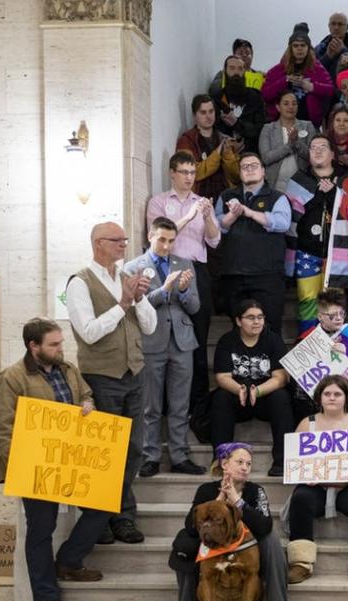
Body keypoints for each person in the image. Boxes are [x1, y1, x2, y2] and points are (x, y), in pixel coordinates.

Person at [0, 317, 105, 601]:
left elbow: (86, 394)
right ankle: (45, 597)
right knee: (41, 529)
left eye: (60, 342)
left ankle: (68, 560)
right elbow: (2, 429)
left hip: (71, 457)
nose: (60, 348)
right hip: (35, 464)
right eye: (54, 344)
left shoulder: (68, 370)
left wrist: (88, 404)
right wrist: (24, 464)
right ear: (34, 346)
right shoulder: (12, 377)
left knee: (103, 505)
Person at [66, 221, 156, 545]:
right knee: (102, 452)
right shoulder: (80, 282)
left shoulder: (124, 278)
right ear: (98, 243)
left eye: (125, 239)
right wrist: (122, 305)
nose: (123, 245)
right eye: (116, 240)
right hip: (101, 376)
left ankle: (122, 516)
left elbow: (149, 326)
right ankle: (97, 518)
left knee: (133, 450)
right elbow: (88, 332)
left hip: (134, 373)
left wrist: (140, 300)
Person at [169, 442, 289, 601]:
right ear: (224, 464)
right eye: (240, 462)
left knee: (272, 539)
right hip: (212, 543)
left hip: (245, 546)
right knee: (184, 540)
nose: (245, 467)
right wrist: (218, 503)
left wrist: (237, 501)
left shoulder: (255, 491)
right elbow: (191, 527)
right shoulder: (205, 490)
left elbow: (264, 526)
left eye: (249, 464)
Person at [124, 216, 206, 476]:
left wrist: (182, 291)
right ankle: (150, 456)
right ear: (150, 236)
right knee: (150, 405)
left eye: (171, 241)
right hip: (150, 341)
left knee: (180, 404)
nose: (167, 246)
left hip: (182, 342)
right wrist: (165, 290)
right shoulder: (132, 268)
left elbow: (195, 307)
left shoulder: (184, 264)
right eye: (162, 239)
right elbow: (133, 308)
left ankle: (180, 455)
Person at [287, 375, 348, 586]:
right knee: (301, 497)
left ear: (346, 397)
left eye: (337, 394)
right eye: (327, 393)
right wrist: (304, 475)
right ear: (319, 397)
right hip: (316, 487)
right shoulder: (307, 424)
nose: (332, 398)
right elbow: (294, 459)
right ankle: (300, 561)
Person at [145, 152, 220, 414]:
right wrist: (189, 216)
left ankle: (197, 406)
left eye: (192, 173)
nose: (189, 178)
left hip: (197, 269)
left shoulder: (201, 202)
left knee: (198, 338)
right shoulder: (159, 202)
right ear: (172, 173)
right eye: (184, 172)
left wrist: (208, 216)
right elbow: (159, 236)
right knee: (169, 337)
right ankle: (167, 405)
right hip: (167, 269)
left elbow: (214, 241)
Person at [289, 135, 348, 334]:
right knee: (307, 300)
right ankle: (307, 342)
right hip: (307, 251)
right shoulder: (299, 179)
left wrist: (333, 195)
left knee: (334, 303)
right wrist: (317, 197)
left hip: (337, 254)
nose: (318, 151)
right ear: (309, 155)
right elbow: (290, 218)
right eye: (313, 148)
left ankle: (332, 345)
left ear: (332, 154)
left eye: (323, 147)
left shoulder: (347, 178)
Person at [210, 300, 292, 477]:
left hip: (264, 397)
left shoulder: (273, 340)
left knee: (281, 397)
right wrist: (240, 389)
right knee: (220, 397)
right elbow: (222, 377)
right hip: (237, 397)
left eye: (260, 317)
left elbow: (281, 377)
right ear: (239, 321)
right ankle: (221, 461)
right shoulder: (227, 341)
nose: (257, 322)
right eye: (251, 318)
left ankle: (282, 461)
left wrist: (258, 390)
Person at [214, 152, 291, 334]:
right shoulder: (226, 196)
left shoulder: (276, 197)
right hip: (234, 275)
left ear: (263, 171)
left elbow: (282, 223)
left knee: (270, 328)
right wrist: (232, 215)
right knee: (238, 329)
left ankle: (273, 364)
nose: (249, 170)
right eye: (245, 167)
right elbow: (216, 227)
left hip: (267, 275)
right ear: (239, 173)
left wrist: (250, 213)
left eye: (254, 166)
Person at [293, 289, 348, 424]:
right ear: (320, 317)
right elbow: (298, 371)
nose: (339, 318)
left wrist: (346, 356)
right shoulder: (308, 336)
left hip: (344, 385)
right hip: (317, 390)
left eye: (342, 313)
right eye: (333, 315)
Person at [262, 24, 335, 130]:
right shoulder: (278, 70)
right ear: (290, 48)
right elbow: (265, 94)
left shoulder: (317, 68)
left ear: (308, 48)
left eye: (303, 45)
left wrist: (311, 87)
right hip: (281, 124)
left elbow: (331, 90)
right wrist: (285, 81)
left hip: (309, 124)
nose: (299, 49)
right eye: (295, 46)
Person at [176, 94, 241, 202]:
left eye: (211, 111)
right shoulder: (186, 141)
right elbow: (192, 173)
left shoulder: (224, 139)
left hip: (225, 201)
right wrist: (218, 152)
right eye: (203, 112)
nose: (208, 116)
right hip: (197, 202)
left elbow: (236, 176)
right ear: (194, 116)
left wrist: (227, 155)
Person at [259, 92, 316, 192]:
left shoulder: (307, 126)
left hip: (301, 187)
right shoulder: (268, 129)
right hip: (273, 185)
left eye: (294, 104)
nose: (291, 107)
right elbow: (266, 158)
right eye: (286, 103)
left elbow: (312, 156)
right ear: (278, 107)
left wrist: (297, 143)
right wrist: (290, 146)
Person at [214, 55, 267, 155]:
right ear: (225, 71)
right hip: (224, 151)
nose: (236, 73)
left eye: (240, 69)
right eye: (232, 68)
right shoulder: (218, 98)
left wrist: (236, 123)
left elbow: (260, 129)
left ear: (244, 71)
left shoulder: (255, 97)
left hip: (251, 152)